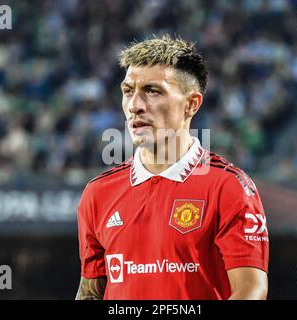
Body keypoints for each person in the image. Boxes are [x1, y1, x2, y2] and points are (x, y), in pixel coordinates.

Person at [75, 35, 269, 300]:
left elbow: (251, 289)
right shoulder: (98, 193)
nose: (135, 106)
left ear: (191, 104)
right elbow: (90, 293)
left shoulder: (228, 187)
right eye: (128, 91)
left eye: (153, 91)